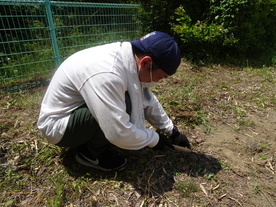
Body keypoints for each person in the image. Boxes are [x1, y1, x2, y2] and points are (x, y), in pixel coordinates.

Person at [37, 31, 191, 171]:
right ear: (146, 63)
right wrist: (154, 140)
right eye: (161, 77)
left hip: (76, 111)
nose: (159, 82)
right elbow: (117, 133)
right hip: (59, 127)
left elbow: (147, 98)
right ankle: (88, 155)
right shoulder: (108, 73)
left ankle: (90, 141)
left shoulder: (132, 60)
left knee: (126, 100)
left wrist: (172, 131)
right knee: (125, 103)